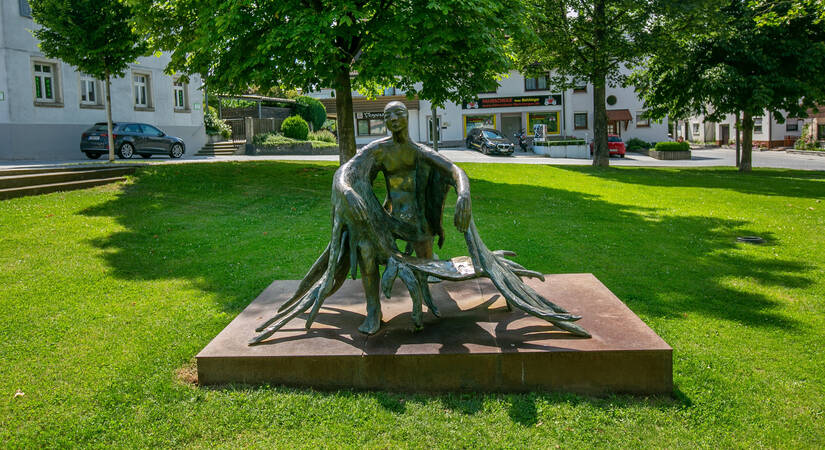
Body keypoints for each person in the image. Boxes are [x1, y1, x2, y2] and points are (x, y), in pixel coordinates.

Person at [339, 101, 472, 333]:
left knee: (426, 265)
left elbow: (455, 170)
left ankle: (425, 292)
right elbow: (345, 172)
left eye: (398, 113)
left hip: (418, 222)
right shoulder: (379, 150)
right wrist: (347, 191)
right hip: (389, 220)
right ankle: (373, 309)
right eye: (388, 115)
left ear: (407, 117)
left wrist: (464, 193)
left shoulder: (419, 151)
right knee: (366, 250)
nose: (393, 119)